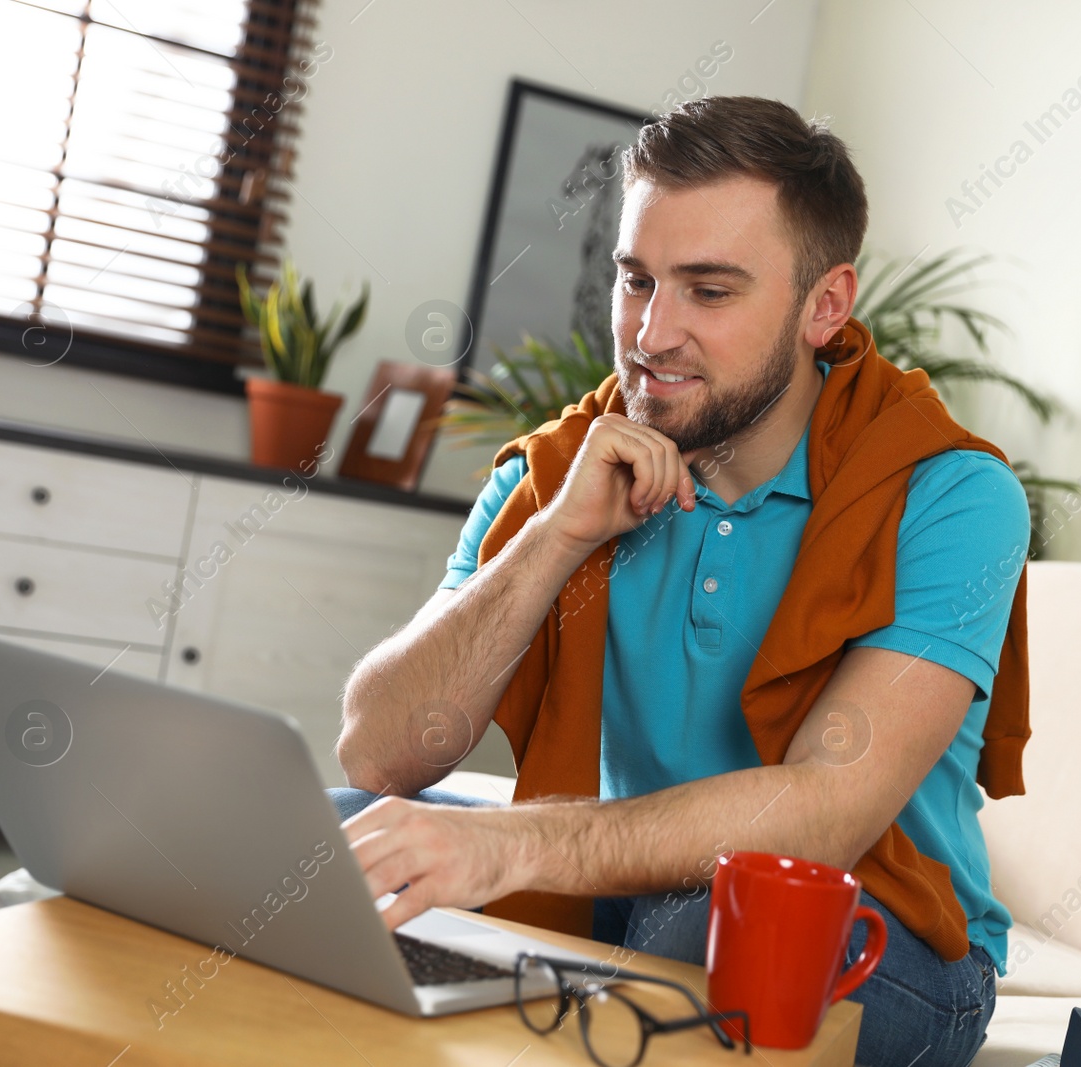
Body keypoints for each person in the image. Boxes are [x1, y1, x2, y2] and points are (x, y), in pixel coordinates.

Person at [332, 95, 1031, 1067]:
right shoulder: (561, 468)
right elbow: (378, 751)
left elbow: (827, 809)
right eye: (635, 280)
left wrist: (517, 845)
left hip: (878, 930)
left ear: (823, 306)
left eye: (708, 290)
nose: (650, 334)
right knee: (336, 835)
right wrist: (557, 536)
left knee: (708, 930)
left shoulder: (950, 497)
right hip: (626, 882)